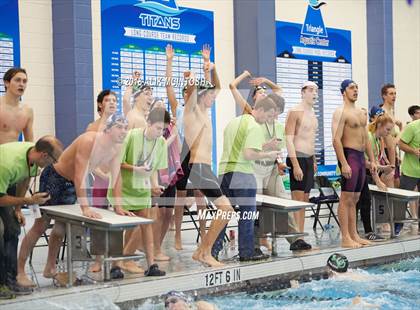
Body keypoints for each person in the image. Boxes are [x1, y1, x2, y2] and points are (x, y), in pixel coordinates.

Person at [17, 114, 132, 287]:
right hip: (54, 177)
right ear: (108, 129)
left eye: (126, 128)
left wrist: (118, 206)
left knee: (61, 228)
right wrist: (85, 207)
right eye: (119, 127)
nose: (123, 131)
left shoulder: (117, 147)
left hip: (69, 183)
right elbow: (80, 176)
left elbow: (116, 178)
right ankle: (20, 271)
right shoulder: (89, 141)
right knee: (40, 226)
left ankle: (50, 268)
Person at [229, 71, 308, 252]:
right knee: (255, 207)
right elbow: (232, 88)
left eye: (265, 91)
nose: (264, 93)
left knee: (281, 201)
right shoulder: (250, 113)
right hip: (254, 168)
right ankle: (255, 245)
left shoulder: (274, 118)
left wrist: (265, 80)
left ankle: (295, 239)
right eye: (259, 91)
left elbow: (279, 90)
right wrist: (244, 75)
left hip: (271, 168)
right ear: (254, 98)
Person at [212, 95, 280, 261]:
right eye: (268, 116)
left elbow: (242, 145)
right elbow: (248, 154)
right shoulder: (254, 126)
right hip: (242, 174)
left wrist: (265, 145)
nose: (267, 120)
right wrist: (269, 153)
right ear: (261, 109)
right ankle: (246, 252)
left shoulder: (234, 122)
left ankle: (213, 251)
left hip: (224, 173)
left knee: (223, 215)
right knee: (247, 215)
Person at [182, 64, 234, 267]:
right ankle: (205, 252)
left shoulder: (205, 113)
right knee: (226, 209)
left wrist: (213, 69)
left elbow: (218, 87)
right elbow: (192, 93)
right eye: (210, 95)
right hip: (198, 168)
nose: (214, 98)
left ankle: (202, 251)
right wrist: (191, 79)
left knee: (226, 210)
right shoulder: (191, 113)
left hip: (204, 169)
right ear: (202, 96)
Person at [0, 137, 62, 298]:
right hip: (1, 185)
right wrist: (28, 200)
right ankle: (1, 285)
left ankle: (11, 280)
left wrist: (18, 209)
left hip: (5, 185)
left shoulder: (32, 159)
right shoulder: (7, 164)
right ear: (44, 155)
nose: (53, 165)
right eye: (53, 160)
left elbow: (24, 180)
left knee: (13, 228)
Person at [113, 107, 168, 276]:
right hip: (123, 189)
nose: (160, 133)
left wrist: (155, 186)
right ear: (149, 123)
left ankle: (151, 265)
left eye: (163, 129)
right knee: (121, 229)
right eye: (158, 128)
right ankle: (115, 265)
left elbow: (154, 169)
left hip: (142, 190)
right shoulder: (131, 136)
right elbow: (117, 164)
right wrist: (136, 169)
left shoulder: (161, 143)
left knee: (146, 225)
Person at [165, 44, 208, 251]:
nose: (188, 94)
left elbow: (207, 89)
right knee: (180, 197)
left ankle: (204, 232)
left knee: (200, 195)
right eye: (186, 92)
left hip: (196, 153)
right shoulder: (178, 109)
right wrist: (170, 61)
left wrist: (206, 67)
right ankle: (178, 236)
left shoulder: (198, 109)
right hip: (181, 155)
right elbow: (168, 87)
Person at [332, 80, 379, 248]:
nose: (355, 90)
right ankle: (345, 237)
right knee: (346, 198)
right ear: (343, 92)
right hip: (349, 155)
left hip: (360, 157)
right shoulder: (340, 112)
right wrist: (343, 163)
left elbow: (366, 139)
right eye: (352, 88)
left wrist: (372, 160)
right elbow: (336, 140)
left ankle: (354, 235)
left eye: (357, 87)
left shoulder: (361, 112)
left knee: (356, 198)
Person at [85, 90, 118, 272]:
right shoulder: (92, 128)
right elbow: (88, 157)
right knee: (99, 221)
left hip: (117, 179)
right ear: (100, 104)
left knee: (117, 219)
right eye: (107, 100)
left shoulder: (122, 126)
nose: (112, 103)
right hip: (100, 179)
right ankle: (98, 260)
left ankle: (115, 261)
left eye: (114, 100)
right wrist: (101, 173)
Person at [285, 81, 318, 246]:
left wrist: (313, 160)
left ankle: (301, 237)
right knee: (297, 201)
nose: (314, 93)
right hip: (297, 157)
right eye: (311, 90)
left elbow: (311, 140)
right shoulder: (294, 111)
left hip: (308, 159)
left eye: (316, 91)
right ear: (303, 92)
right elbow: (289, 140)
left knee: (304, 201)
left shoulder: (313, 114)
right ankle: (296, 238)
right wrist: (295, 164)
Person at [356, 108, 392, 241]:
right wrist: (377, 180)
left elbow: (374, 163)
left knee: (364, 201)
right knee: (359, 202)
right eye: (387, 130)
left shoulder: (377, 139)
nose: (388, 133)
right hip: (358, 170)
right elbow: (364, 161)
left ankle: (366, 231)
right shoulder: (369, 137)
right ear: (380, 126)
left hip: (366, 170)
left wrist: (384, 167)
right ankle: (357, 232)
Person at [0, 67, 34, 144]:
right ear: (6, 83)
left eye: (24, 81)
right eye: (17, 80)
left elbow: (29, 142)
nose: (21, 84)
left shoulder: (27, 111)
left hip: (13, 155)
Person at [398, 119, 420, 234]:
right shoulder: (413, 126)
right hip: (410, 171)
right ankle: (398, 225)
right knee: (402, 200)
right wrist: (414, 151)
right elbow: (400, 144)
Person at [380, 84, 401, 188]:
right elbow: (390, 143)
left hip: (392, 153)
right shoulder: (384, 113)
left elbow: (392, 139)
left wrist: (396, 155)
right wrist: (403, 130)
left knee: (397, 184)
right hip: (386, 154)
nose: (394, 96)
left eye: (395, 93)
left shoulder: (391, 112)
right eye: (391, 94)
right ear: (384, 96)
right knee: (390, 187)